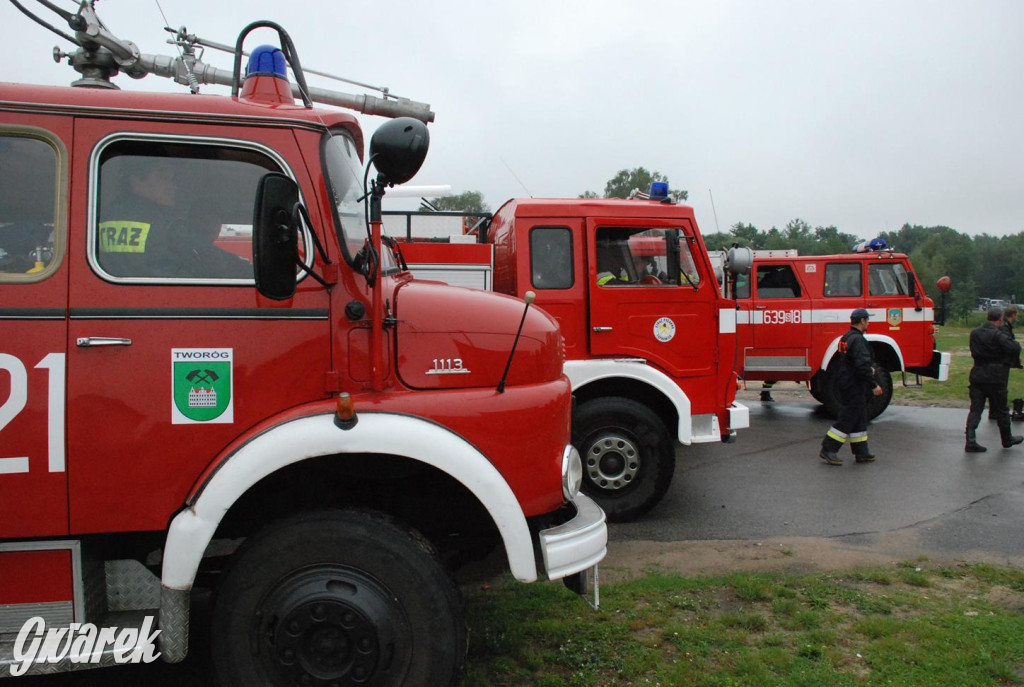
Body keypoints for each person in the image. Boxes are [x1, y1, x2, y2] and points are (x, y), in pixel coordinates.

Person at [819, 308, 884, 465]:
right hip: (854, 385)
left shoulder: (846, 337)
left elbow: (850, 362)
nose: (868, 323)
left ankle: (861, 452)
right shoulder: (858, 340)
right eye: (867, 320)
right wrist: (874, 384)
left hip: (847, 383)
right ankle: (828, 449)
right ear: (862, 321)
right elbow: (862, 365)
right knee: (847, 418)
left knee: (859, 416)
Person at [965, 307, 1023, 452]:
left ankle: (970, 440)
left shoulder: (975, 333)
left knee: (975, 409)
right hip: (995, 375)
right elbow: (1014, 347)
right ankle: (1007, 439)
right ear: (1000, 319)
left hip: (978, 372)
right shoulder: (997, 335)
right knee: (1002, 409)